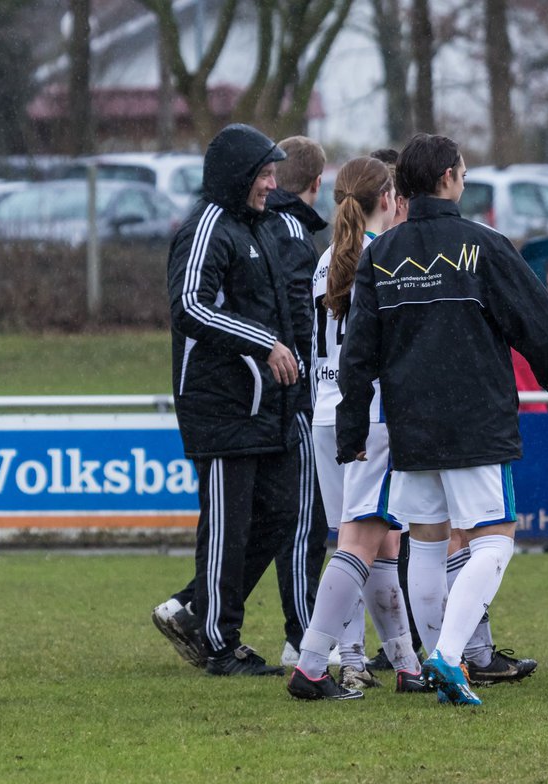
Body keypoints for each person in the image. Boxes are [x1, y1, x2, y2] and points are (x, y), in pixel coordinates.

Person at [336, 133, 548, 705]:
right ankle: (449, 656)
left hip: (410, 423)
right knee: (495, 540)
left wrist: (353, 428)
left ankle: (433, 663)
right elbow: (538, 325)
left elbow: (357, 353)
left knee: (425, 542)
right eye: (465, 173)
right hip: (476, 421)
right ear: (448, 177)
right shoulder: (485, 244)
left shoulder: (379, 254)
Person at [156, 123, 300, 676]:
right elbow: (188, 307)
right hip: (220, 405)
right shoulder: (208, 228)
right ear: (238, 175)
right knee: (226, 525)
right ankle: (218, 641)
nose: (271, 184)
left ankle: (206, 616)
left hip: (262, 405)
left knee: (277, 515)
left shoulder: (254, 228)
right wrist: (264, 344)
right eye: (264, 174)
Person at [287, 156, 426, 700]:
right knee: (361, 540)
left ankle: (405, 664)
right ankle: (316, 662)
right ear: (388, 198)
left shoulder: (326, 258)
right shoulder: (385, 256)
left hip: (327, 413)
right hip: (368, 418)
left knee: (383, 542)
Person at [264, 135, 333, 670]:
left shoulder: (269, 227)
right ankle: (302, 635)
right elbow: (295, 322)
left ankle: (201, 610)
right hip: (301, 397)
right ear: (316, 184)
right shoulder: (292, 235)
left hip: (278, 393)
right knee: (306, 520)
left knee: (292, 518)